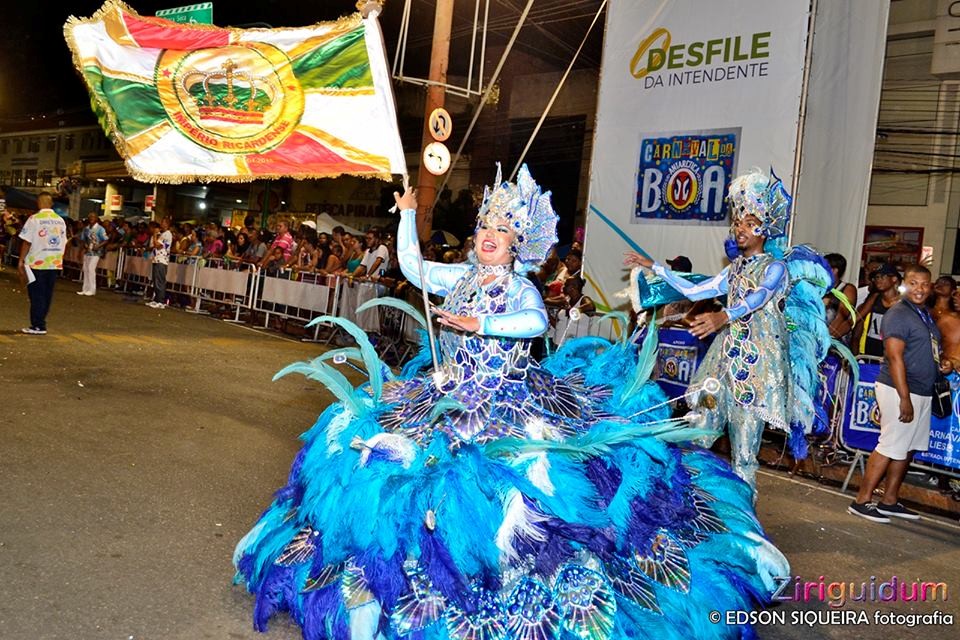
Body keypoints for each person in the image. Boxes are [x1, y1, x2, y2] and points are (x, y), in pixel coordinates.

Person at [233, 165, 789, 640]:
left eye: (502, 229)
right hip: (446, 394)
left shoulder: (519, 286)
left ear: (517, 243)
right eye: (484, 226)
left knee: (524, 489)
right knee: (376, 460)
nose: (489, 236)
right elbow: (413, 268)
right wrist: (407, 215)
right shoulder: (463, 276)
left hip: (507, 400)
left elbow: (533, 322)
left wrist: (479, 322)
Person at [625, 169, 831, 494]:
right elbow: (696, 291)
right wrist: (657, 268)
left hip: (758, 371)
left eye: (749, 224)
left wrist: (725, 315)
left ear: (765, 229)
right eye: (737, 223)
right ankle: (690, 501)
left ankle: (744, 514)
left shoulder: (775, 268)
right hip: (723, 364)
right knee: (699, 433)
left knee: (745, 455)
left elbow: (760, 296)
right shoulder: (734, 269)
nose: (740, 230)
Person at [849, 265, 953, 522]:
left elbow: (925, 350)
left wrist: (942, 362)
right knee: (889, 445)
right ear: (904, 285)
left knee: (906, 449)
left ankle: (889, 501)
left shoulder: (923, 314)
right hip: (899, 389)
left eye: (924, 284)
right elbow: (894, 358)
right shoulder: (899, 313)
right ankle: (861, 500)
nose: (920, 289)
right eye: (914, 283)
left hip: (922, 390)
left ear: (930, 287)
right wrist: (904, 398)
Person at [18, 193, 67, 335]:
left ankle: (38, 325)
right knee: (46, 294)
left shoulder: (34, 219)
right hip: (53, 262)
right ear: (51, 204)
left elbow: (27, 241)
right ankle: (40, 322)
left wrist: (21, 260)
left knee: (36, 294)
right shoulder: (60, 221)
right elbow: (64, 241)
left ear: (38, 203)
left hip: (37, 262)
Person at [852, 263, 901, 357]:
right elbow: (856, 325)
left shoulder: (904, 304)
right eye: (876, 277)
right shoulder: (873, 299)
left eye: (882, 276)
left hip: (892, 355)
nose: (878, 280)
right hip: (869, 354)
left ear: (894, 279)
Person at [823, 253, 857, 343]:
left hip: (835, 342)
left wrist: (824, 338)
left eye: (824, 267)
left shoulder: (847, 289)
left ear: (834, 270)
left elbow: (842, 316)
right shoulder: (820, 288)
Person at [77, 213, 108, 296]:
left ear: (96, 218)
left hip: (96, 252)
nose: (91, 218)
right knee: (86, 269)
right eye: (90, 217)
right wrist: (85, 245)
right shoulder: (86, 229)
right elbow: (83, 239)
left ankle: (92, 289)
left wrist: (98, 246)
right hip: (87, 252)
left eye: (93, 217)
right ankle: (85, 289)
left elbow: (106, 240)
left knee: (91, 269)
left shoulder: (100, 229)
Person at [148, 217, 172, 309]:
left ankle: (161, 301)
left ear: (167, 224)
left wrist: (154, 234)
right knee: (155, 280)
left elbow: (157, 245)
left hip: (162, 260)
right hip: (157, 259)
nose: (161, 224)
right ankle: (156, 299)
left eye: (163, 222)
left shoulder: (167, 234)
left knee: (160, 281)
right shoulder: (162, 234)